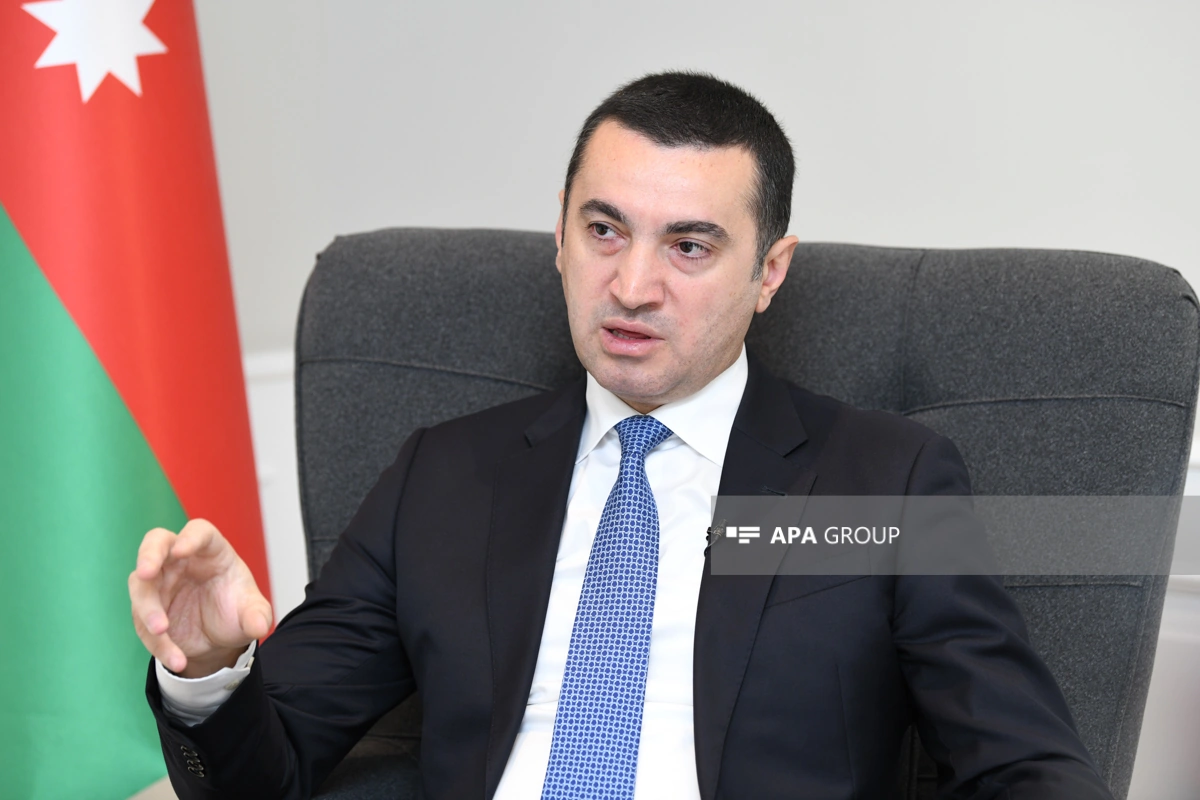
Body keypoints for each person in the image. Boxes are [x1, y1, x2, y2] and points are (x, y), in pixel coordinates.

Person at [129, 72, 1114, 799]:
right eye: (604, 231)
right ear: (559, 235)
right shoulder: (446, 475)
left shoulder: (880, 481)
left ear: (770, 272)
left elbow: (1025, 761)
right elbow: (267, 771)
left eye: (689, 246)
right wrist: (208, 670)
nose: (633, 286)